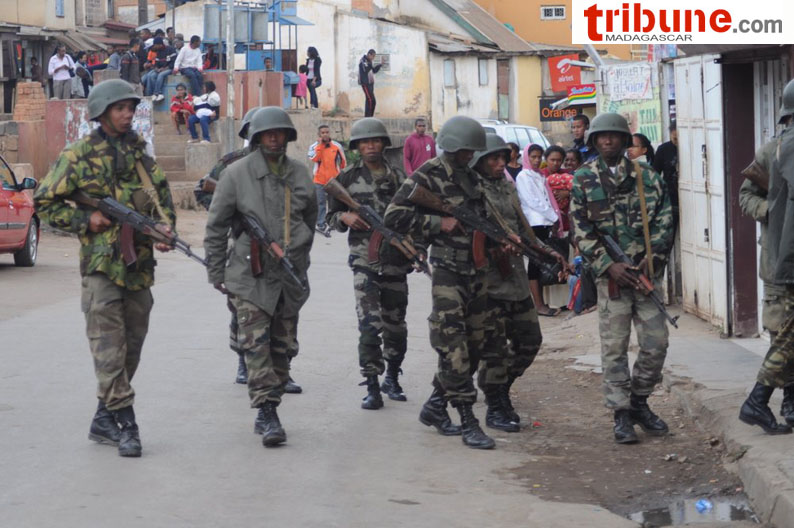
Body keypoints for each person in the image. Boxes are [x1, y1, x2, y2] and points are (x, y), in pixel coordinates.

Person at [34, 79, 177, 457]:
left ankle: (104, 416)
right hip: (101, 269)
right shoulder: (78, 155)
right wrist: (86, 220)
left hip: (138, 269)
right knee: (109, 349)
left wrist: (165, 231)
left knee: (131, 349)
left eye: (131, 108)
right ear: (101, 113)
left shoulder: (142, 157)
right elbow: (44, 202)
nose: (128, 114)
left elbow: (163, 203)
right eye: (120, 108)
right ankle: (127, 423)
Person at [204, 107, 317, 448]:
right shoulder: (236, 174)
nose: (274, 138)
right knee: (256, 346)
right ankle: (267, 412)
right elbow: (216, 225)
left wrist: (299, 252)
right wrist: (216, 271)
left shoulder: (300, 174)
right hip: (249, 274)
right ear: (256, 137)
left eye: (280, 133)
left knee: (283, 347)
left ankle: (272, 401)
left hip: (289, 275)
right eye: (268, 133)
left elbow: (310, 219)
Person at [385, 115, 495, 450]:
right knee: (453, 345)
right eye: (464, 151)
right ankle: (467, 418)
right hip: (447, 271)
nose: (468, 156)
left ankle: (435, 404)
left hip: (477, 269)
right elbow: (393, 216)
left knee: (476, 344)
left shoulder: (474, 176)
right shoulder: (428, 174)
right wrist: (438, 223)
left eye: (472, 152)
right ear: (451, 147)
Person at [569, 112, 675, 444]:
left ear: (624, 140)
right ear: (593, 141)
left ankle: (639, 402)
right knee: (614, 348)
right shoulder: (584, 178)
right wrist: (607, 265)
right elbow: (580, 229)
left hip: (644, 276)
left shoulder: (646, 176)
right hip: (611, 280)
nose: (607, 140)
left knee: (656, 344)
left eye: (613, 135)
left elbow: (665, 220)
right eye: (601, 136)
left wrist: (651, 260)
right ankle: (621, 415)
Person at [471, 134, 563, 433]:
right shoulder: (470, 190)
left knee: (530, 341)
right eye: (494, 158)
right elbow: (464, 234)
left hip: (514, 278)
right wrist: (493, 246)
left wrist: (544, 250)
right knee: (494, 347)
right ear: (479, 160)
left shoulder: (506, 187)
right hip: (487, 282)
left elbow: (522, 228)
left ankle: (501, 387)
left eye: (504, 157)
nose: (501, 163)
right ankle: (495, 402)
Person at [326, 118, 412, 408]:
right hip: (365, 262)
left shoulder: (399, 178)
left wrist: (414, 249)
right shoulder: (347, 179)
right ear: (357, 147)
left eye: (375, 140)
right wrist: (344, 217)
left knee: (396, 326)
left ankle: (393, 377)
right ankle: (372, 383)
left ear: (384, 144)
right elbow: (330, 217)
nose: (371, 146)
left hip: (396, 262)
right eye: (365, 142)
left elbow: (413, 217)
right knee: (369, 325)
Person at [738, 79, 794, 434]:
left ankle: (784, 403)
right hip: (778, 261)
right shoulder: (771, 152)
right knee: (783, 334)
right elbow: (746, 196)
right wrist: (773, 211)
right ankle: (771, 401)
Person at [194, 107, 259, 384]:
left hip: (274, 247)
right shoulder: (231, 163)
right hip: (241, 246)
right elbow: (202, 190)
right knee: (240, 305)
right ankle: (243, 361)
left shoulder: (285, 167)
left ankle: (281, 366)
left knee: (279, 307)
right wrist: (228, 212)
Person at [516, 144, 561, 317]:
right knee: (535, 263)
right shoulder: (523, 176)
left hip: (544, 222)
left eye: (539, 157)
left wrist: (552, 218)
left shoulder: (539, 175)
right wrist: (553, 216)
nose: (536, 160)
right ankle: (539, 304)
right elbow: (533, 201)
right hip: (534, 223)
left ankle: (542, 302)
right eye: (533, 157)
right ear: (526, 157)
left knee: (543, 262)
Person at [308, 125, 346, 237]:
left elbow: (343, 161)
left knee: (333, 203)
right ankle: (321, 223)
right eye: (323, 132)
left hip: (333, 180)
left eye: (327, 132)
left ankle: (332, 223)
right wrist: (320, 146)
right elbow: (314, 158)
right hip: (319, 179)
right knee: (320, 202)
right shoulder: (314, 147)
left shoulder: (337, 146)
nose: (325, 134)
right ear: (319, 134)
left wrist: (339, 173)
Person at [542, 145, 574, 233]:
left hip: (568, 219)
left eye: (559, 160)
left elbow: (580, 189)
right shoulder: (540, 175)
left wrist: (567, 193)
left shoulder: (568, 174)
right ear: (546, 159)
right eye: (552, 160)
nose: (555, 163)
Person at [653, 125, 679, 227]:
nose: (677, 142)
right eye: (675, 139)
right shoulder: (663, 149)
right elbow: (655, 173)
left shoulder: (691, 147)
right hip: (670, 195)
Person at [143, 37, 177, 101]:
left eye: (155, 45)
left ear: (160, 44)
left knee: (161, 75)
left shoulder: (171, 49)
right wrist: (156, 68)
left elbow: (173, 62)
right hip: (160, 69)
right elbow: (156, 63)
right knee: (151, 76)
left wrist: (164, 69)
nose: (155, 46)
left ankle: (158, 93)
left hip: (169, 68)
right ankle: (152, 94)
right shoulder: (158, 51)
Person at [358, 49, 383, 117]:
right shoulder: (363, 61)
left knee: (371, 100)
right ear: (369, 54)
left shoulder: (369, 61)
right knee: (371, 100)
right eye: (373, 56)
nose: (373, 58)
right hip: (365, 84)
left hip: (370, 83)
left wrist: (380, 65)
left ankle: (368, 117)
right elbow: (365, 69)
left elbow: (373, 71)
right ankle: (368, 117)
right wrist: (370, 63)